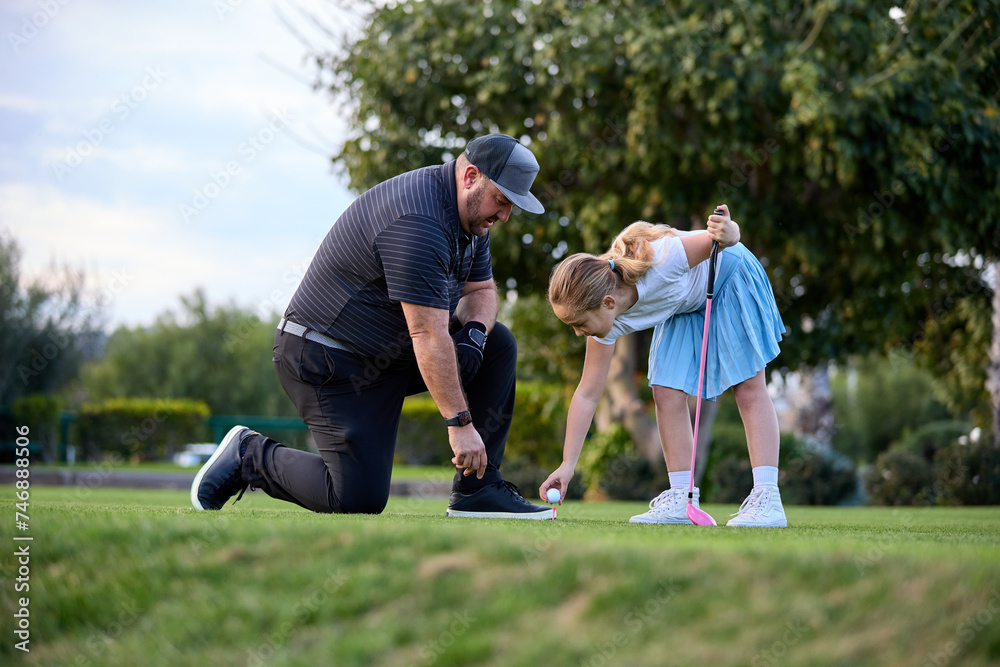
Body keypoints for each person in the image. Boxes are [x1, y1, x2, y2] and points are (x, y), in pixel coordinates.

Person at [192, 133, 554, 519]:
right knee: (356, 498)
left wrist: (475, 335)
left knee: (496, 344)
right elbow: (428, 335)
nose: (504, 216)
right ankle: (248, 455)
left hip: (384, 355)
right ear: (470, 177)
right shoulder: (419, 219)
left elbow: (480, 290)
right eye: (501, 200)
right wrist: (461, 425)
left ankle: (478, 491)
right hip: (326, 359)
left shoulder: (472, 220)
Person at [539, 205, 788, 527]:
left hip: (729, 277)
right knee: (666, 392)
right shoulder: (605, 320)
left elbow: (720, 239)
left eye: (578, 323)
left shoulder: (664, 260)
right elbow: (587, 393)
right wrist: (567, 465)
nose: (577, 332)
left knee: (747, 387)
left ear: (608, 303)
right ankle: (681, 498)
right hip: (686, 303)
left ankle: (768, 497)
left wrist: (730, 231)